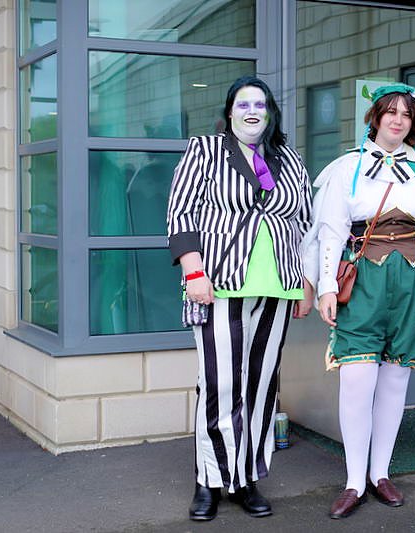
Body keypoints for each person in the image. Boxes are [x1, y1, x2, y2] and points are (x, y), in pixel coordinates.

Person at [301, 83, 415, 519]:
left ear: (414, 123)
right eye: (390, 112)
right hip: (364, 281)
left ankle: (381, 473)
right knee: (357, 380)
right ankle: (354, 480)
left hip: (414, 281)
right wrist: (327, 287)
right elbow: (331, 230)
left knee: (395, 381)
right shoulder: (347, 168)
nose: (397, 120)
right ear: (375, 117)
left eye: (406, 114)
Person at [166, 75, 314, 521]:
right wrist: (194, 271)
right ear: (230, 111)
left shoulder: (289, 159)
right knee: (220, 385)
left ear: (270, 112)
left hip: (278, 286)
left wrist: (305, 283)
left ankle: (246, 477)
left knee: (261, 385)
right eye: (244, 104)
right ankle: (209, 480)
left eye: (260, 104)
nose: (252, 112)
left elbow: (305, 224)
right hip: (219, 285)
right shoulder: (205, 151)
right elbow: (181, 212)